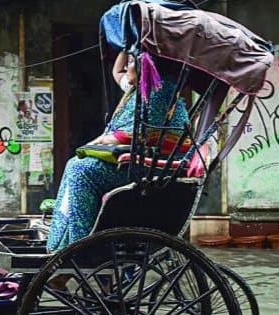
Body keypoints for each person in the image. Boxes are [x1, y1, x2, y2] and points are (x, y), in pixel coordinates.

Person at [46, 51, 190, 252]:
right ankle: (66, 241)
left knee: (81, 171)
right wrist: (125, 45)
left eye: (131, 63)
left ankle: (77, 248)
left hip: (150, 171)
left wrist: (102, 140)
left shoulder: (159, 91)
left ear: (145, 67)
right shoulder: (138, 89)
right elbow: (117, 72)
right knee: (76, 165)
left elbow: (136, 134)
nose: (125, 68)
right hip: (140, 164)